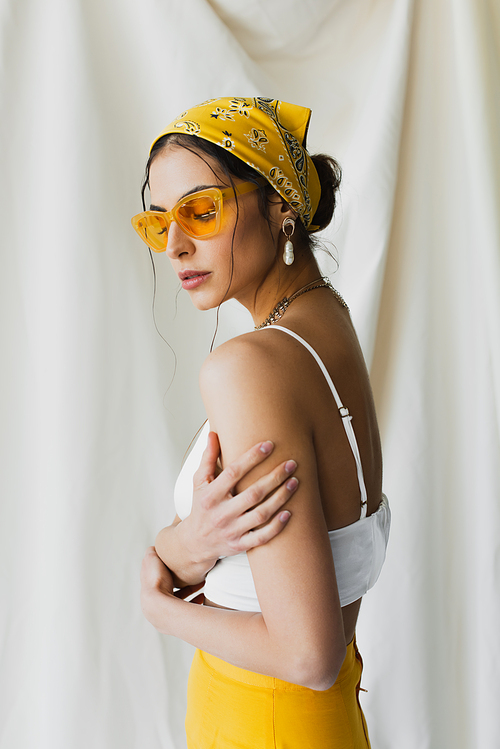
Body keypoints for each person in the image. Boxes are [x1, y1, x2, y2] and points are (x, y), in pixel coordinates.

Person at [134, 97, 390, 748]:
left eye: (202, 210)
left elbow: (307, 653)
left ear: (280, 206)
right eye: (160, 219)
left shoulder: (247, 365)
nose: (175, 244)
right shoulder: (323, 317)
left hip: (263, 718)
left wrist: (162, 604)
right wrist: (184, 545)